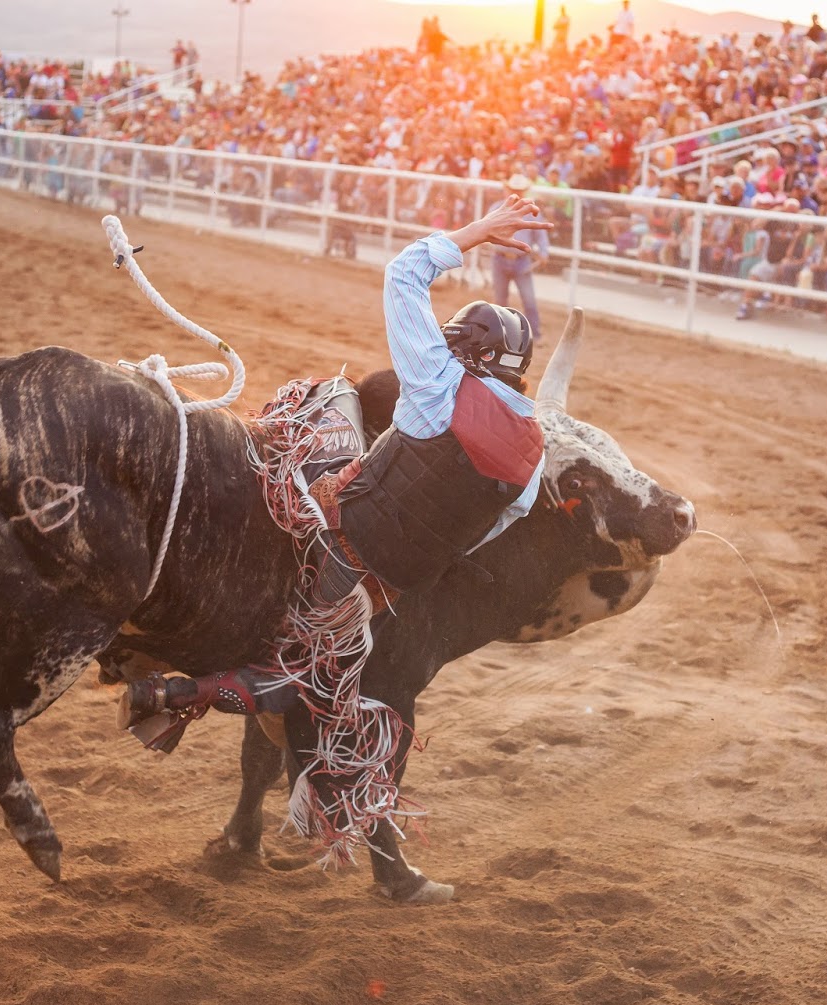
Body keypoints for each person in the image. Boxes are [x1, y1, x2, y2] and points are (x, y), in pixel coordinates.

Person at [120, 194, 554, 738]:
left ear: (465, 346)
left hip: (331, 528)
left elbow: (405, 272)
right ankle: (181, 695)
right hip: (385, 586)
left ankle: (171, 662)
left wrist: (479, 230)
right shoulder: (533, 456)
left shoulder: (437, 383)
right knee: (311, 671)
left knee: (332, 395)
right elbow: (491, 527)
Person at [494, 174, 551, 342]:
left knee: (529, 300)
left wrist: (544, 252)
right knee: (500, 301)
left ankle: (535, 335)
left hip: (520, 260)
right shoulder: (498, 208)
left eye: (519, 190)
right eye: (514, 190)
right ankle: (500, 337)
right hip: (501, 258)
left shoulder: (531, 211)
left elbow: (541, 235)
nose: (517, 193)